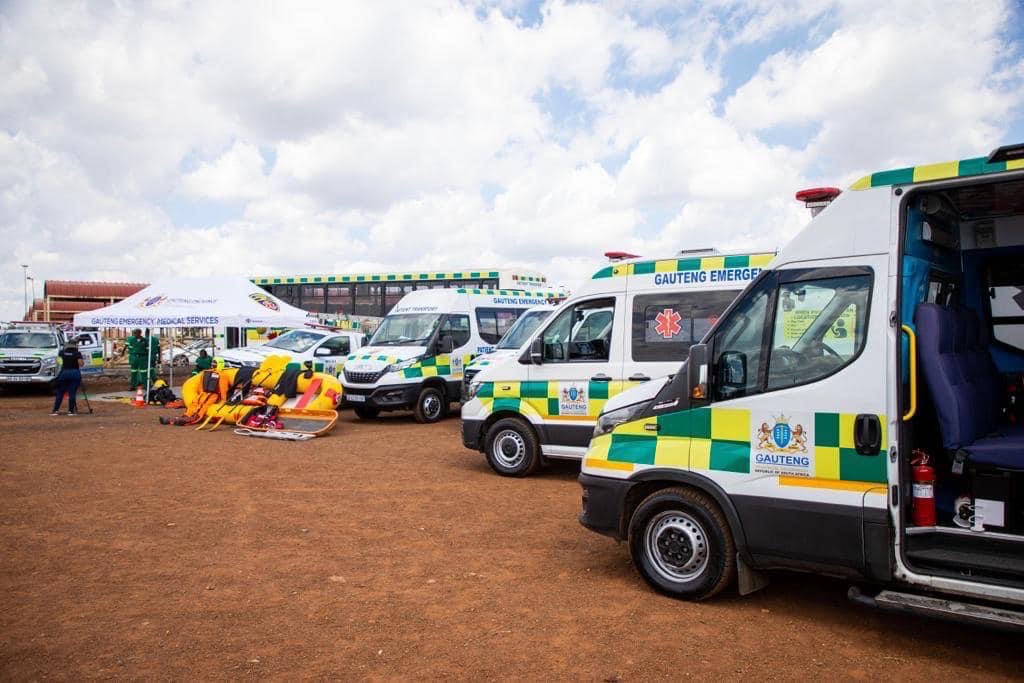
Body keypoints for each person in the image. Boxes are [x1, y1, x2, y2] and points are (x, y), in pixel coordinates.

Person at [51, 341, 84, 415]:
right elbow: (81, 364)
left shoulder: (61, 353)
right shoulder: (77, 353)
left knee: (60, 392)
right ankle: (71, 411)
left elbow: (59, 363)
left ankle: (55, 411)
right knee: (72, 393)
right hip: (74, 373)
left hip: (64, 373)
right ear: (75, 346)